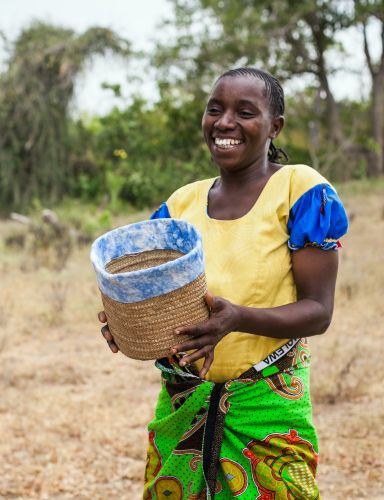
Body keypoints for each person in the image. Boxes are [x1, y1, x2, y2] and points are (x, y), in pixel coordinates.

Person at [99, 67, 348, 499]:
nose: (225, 122)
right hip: (183, 403)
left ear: (275, 126)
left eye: (245, 112)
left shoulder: (300, 190)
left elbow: (319, 312)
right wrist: (129, 323)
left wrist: (236, 319)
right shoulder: (181, 204)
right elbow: (164, 312)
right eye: (215, 109)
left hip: (266, 407)